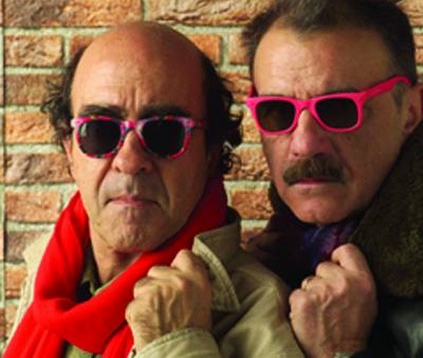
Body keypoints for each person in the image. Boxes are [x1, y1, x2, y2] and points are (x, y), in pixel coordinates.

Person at [5, 22, 304, 358]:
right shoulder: (46, 273)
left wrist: (179, 344)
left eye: (165, 132)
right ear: (70, 150)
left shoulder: (263, 314)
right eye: (100, 131)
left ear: (210, 152)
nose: (129, 161)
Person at [242, 0, 423, 358]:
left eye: (339, 109)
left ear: (409, 112)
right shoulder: (265, 268)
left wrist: (344, 351)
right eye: (277, 111)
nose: (304, 144)